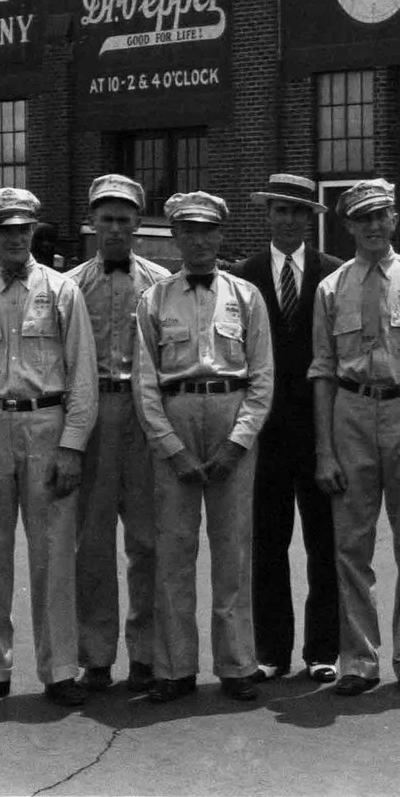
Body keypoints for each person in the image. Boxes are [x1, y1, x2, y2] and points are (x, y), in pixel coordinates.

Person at [0, 189, 98, 708]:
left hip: (46, 425)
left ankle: (59, 672)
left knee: (53, 553)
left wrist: (73, 446)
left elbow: (82, 375)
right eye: (3, 229)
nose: (14, 238)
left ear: (34, 232)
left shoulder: (61, 291)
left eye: (23, 229)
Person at [308, 180, 400, 696]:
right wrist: (325, 449)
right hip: (351, 412)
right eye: (364, 217)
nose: (374, 225)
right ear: (348, 225)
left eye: (383, 215)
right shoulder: (332, 288)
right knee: (351, 543)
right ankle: (358, 660)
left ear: (395, 220)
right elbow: (323, 371)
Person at [133, 190, 276, 703]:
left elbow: (262, 376)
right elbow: (145, 381)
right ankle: (174, 667)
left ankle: (237, 664)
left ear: (221, 235)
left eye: (207, 230)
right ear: (174, 237)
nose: (198, 240)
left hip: (231, 415)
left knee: (233, 549)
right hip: (176, 417)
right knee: (174, 548)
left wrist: (239, 442)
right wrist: (169, 445)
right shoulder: (154, 299)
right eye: (188, 231)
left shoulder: (246, 296)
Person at [65, 174, 173, 693]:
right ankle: (96, 655)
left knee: (148, 539)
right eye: (105, 219)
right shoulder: (69, 285)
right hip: (92, 412)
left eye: (124, 220)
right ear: (92, 222)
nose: (114, 229)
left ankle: (148, 653)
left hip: (145, 413)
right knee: (92, 541)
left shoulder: (160, 282)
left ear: (138, 224)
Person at [236, 173, 344, 685]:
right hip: (263, 433)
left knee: (326, 543)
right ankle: (271, 651)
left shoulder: (335, 275)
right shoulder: (242, 276)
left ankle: (323, 650)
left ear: (310, 220)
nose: (288, 220)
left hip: (323, 431)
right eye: (279, 210)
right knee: (267, 543)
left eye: (298, 212)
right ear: (268, 215)